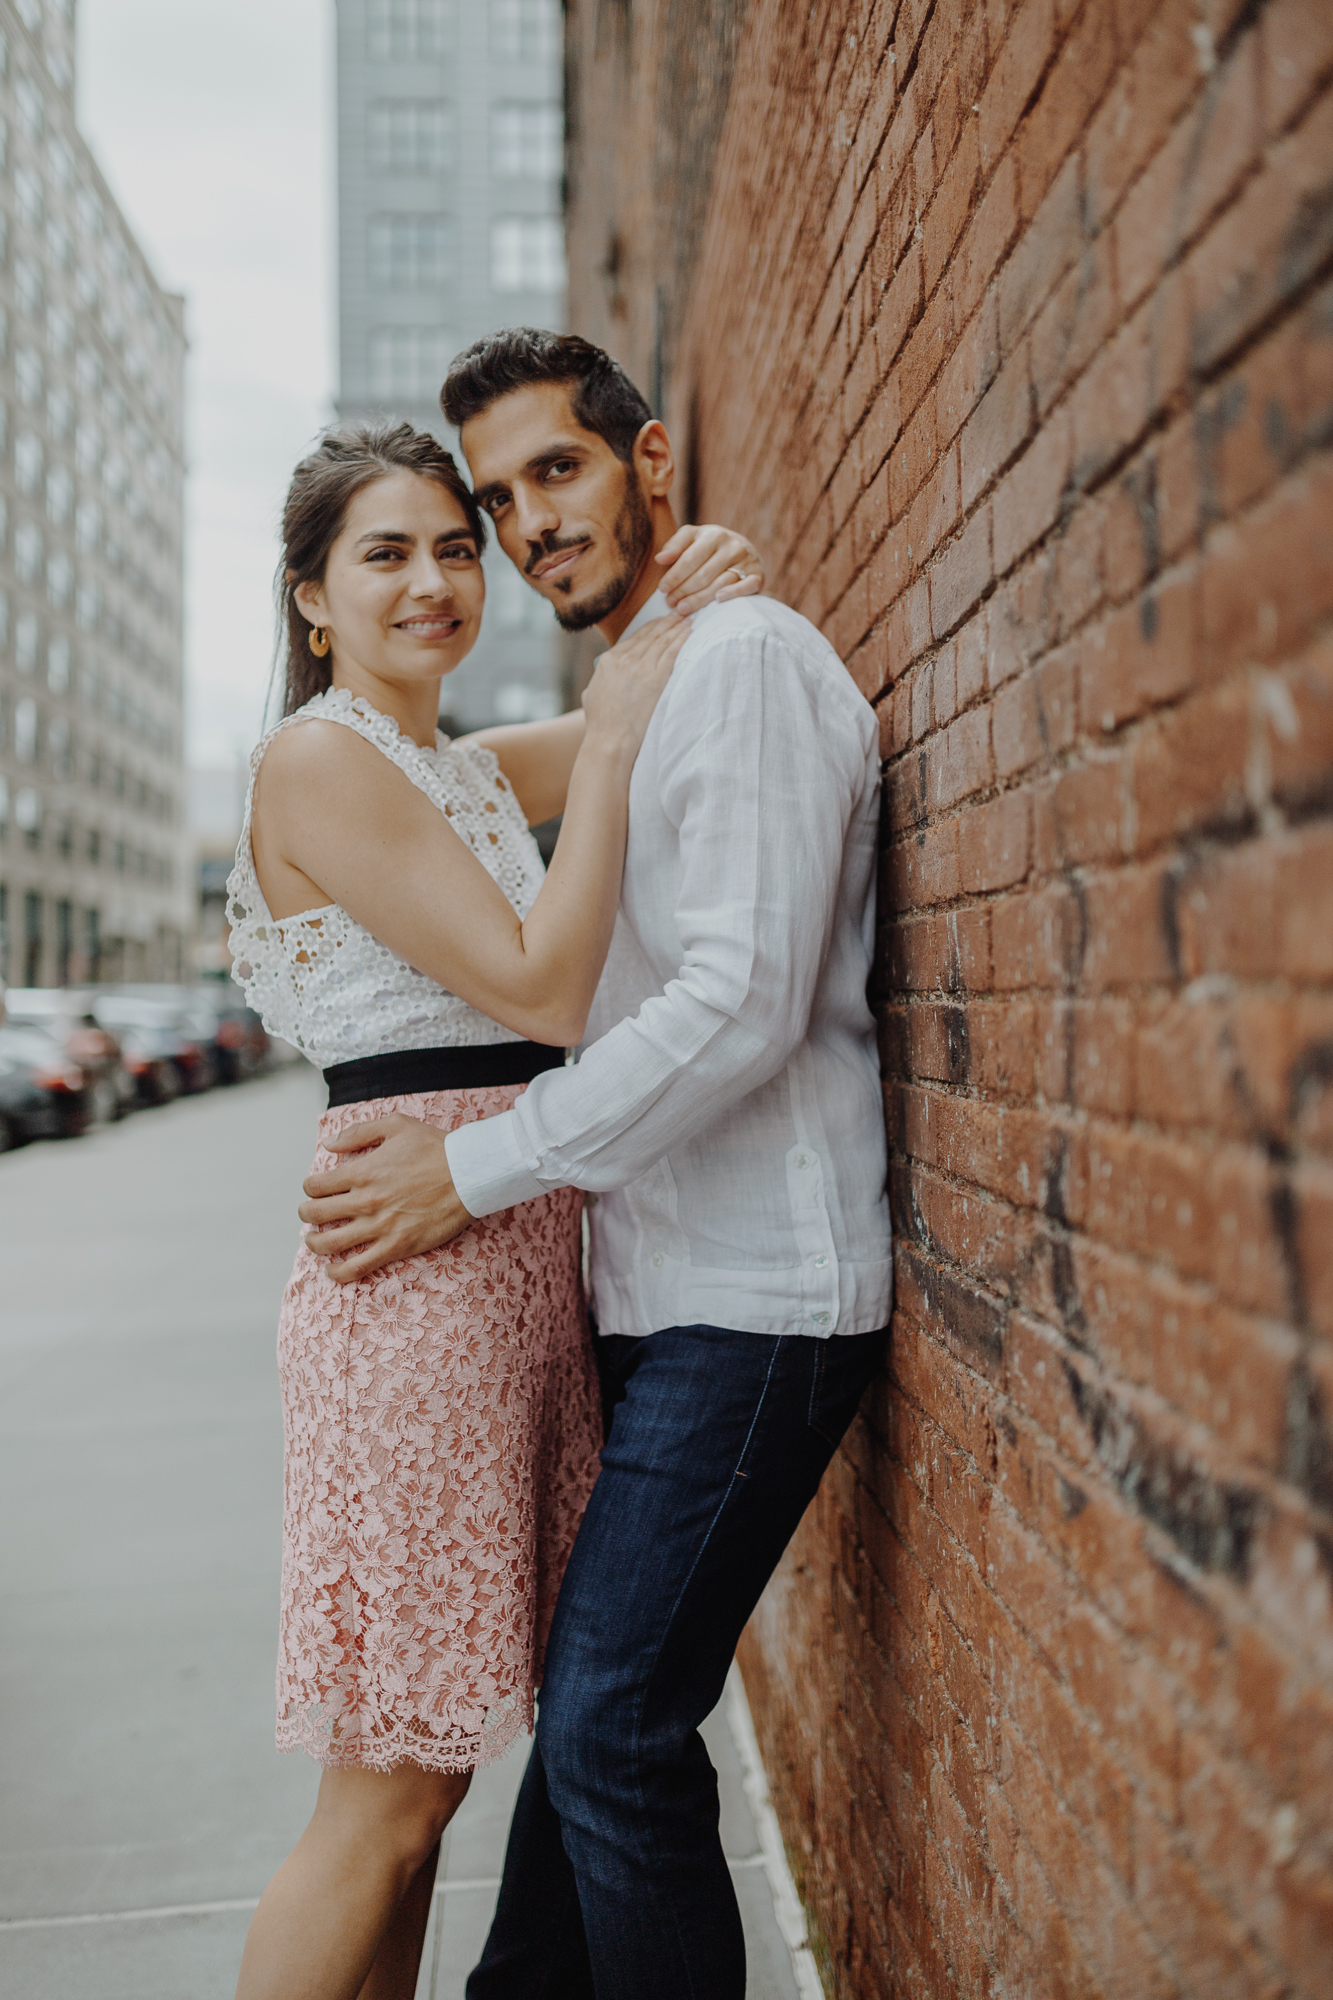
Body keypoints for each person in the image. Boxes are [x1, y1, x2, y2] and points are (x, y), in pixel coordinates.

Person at [298, 332, 894, 2000]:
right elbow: (471, 782)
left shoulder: (749, 663)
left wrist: (466, 1178)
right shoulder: (643, 678)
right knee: (588, 1729)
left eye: (553, 472)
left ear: (647, 466)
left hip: (757, 1300)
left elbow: (741, 1005)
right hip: (645, 1293)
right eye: (494, 499)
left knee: (615, 1732)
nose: (520, 525)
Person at [225, 415, 766, 2000]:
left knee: (426, 1780)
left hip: (498, 1281)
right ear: (312, 597)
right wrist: (603, 738)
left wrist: (687, 586)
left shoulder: (439, 766)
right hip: (417, 1290)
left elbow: (635, 705)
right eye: (384, 554)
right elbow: (543, 983)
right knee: (383, 1793)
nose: (435, 581)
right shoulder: (322, 756)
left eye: (454, 548)